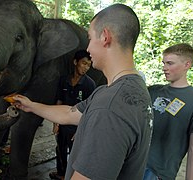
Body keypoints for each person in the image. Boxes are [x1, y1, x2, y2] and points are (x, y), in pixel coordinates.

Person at [12, 3, 153, 179]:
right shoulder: (131, 89)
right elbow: (70, 113)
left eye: (90, 38)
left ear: (105, 37)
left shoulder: (110, 106)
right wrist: (31, 106)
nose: (88, 49)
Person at [144, 43, 193, 180]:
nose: (164, 68)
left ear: (187, 65)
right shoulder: (153, 91)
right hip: (133, 164)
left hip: (158, 173)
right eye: (164, 63)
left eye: (170, 63)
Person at [49, 50, 96, 180]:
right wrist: (55, 122)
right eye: (83, 63)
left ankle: (72, 176)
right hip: (63, 122)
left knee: (76, 153)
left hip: (77, 126)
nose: (86, 68)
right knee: (60, 149)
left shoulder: (89, 84)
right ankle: (61, 174)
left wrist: (82, 129)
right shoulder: (64, 80)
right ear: (75, 62)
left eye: (88, 65)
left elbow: (90, 109)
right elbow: (59, 100)